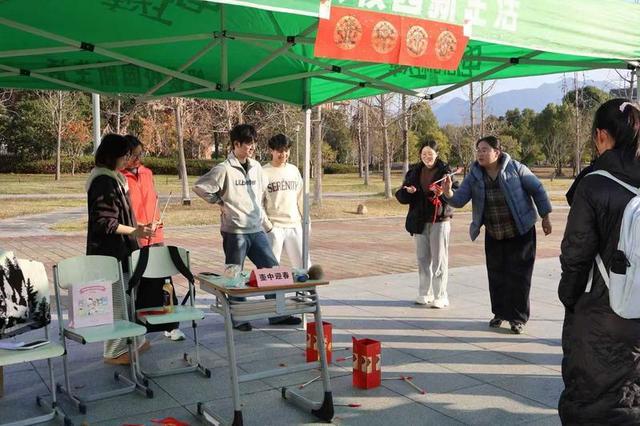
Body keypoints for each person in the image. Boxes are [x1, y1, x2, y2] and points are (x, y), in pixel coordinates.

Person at [558, 99, 640, 424]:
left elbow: (576, 253)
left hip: (601, 309)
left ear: (601, 135)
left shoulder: (593, 183)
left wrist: (569, 297)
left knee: (592, 396)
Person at [193, 124, 301, 332]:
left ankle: (277, 313)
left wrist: (264, 221)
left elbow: (260, 194)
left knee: (271, 270)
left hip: (256, 229)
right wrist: (220, 202)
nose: (252, 147)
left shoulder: (257, 167)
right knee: (235, 276)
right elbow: (200, 187)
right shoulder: (224, 168)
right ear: (236, 144)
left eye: (254, 143)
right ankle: (239, 317)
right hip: (235, 231)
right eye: (248, 144)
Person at [441, 136, 552, 334]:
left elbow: (537, 189)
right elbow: (459, 200)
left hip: (521, 231)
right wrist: (448, 192)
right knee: (496, 275)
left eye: (485, 150)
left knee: (519, 276)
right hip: (494, 232)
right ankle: (500, 312)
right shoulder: (474, 174)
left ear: (497, 152)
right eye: (478, 150)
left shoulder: (515, 168)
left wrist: (546, 216)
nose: (480, 154)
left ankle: (518, 318)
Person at [85, 133, 154, 365]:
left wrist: (138, 227)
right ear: (111, 155)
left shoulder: (113, 178)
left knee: (127, 299)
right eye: (124, 155)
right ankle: (114, 351)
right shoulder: (103, 181)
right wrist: (134, 231)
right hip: (110, 253)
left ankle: (133, 341)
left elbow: (119, 216)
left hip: (121, 250)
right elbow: (104, 222)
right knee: (117, 302)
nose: (127, 159)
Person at [121, 135, 185, 342]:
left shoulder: (147, 173)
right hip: (135, 235)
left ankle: (171, 325)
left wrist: (157, 221)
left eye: (140, 154)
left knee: (164, 280)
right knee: (138, 283)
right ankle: (137, 328)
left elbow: (153, 201)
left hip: (155, 233)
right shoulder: (119, 177)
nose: (138, 159)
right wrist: (138, 227)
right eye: (134, 155)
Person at [395, 140, 456, 308]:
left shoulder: (446, 172)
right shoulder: (414, 171)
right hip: (419, 220)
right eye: (424, 154)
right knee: (422, 259)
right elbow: (401, 196)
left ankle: (441, 295)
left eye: (430, 153)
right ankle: (425, 293)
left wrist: (444, 192)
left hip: (439, 220)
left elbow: (455, 195)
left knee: (439, 259)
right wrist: (408, 192)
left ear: (437, 154)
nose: (427, 157)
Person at [262, 134, 308, 269]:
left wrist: (306, 220)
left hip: (295, 225)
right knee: (270, 269)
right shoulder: (263, 172)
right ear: (271, 150)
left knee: (304, 267)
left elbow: (301, 197)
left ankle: (306, 284)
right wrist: (268, 226)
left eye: (286, 150)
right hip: (274, 227)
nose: (284, 154)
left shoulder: (293, 170)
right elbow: (259, 203)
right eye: (280, 151)